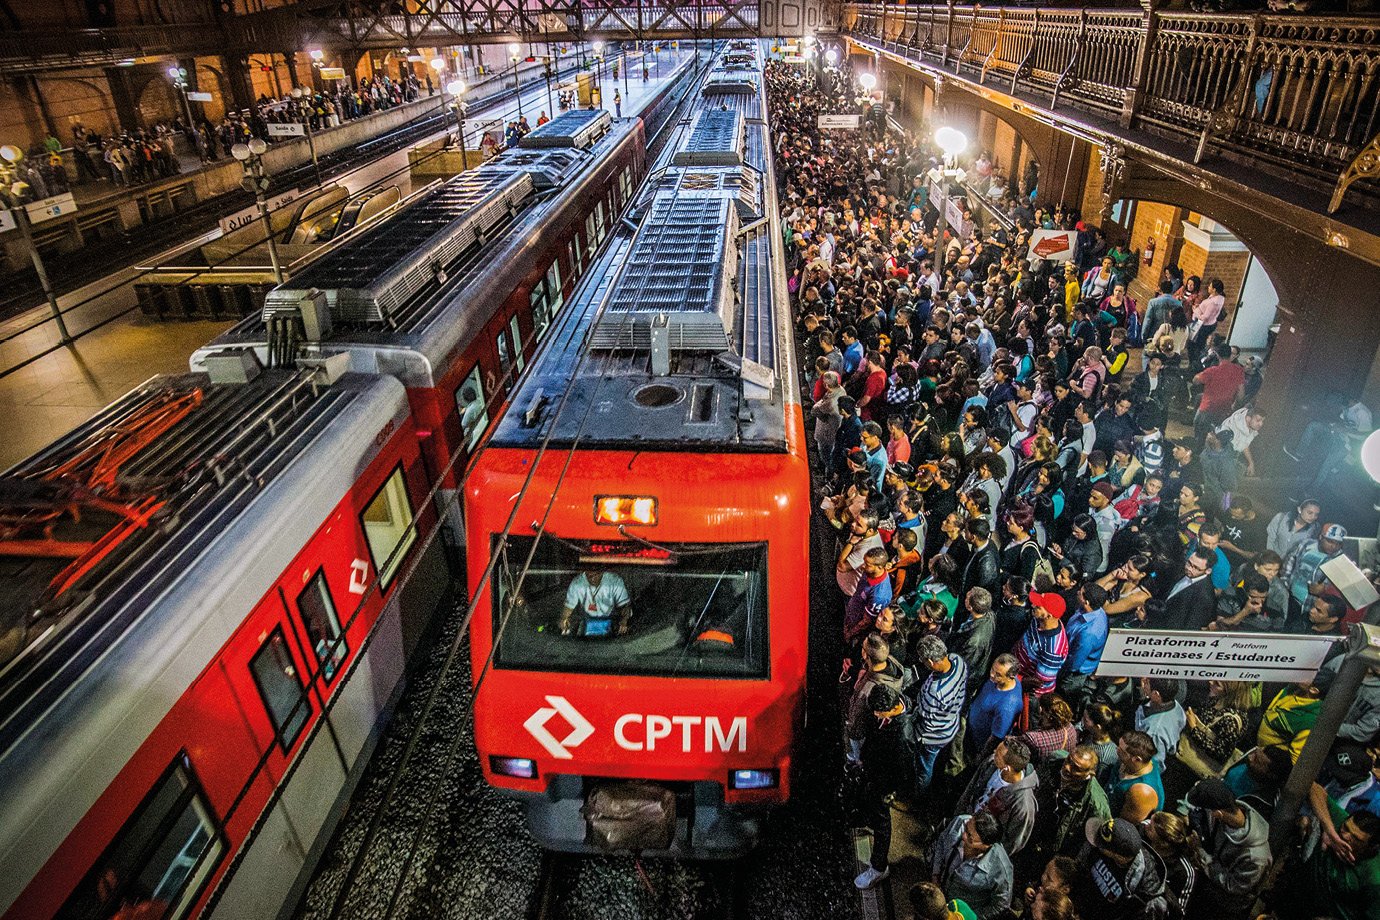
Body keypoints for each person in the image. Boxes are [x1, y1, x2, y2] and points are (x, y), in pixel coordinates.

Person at [854, 684, 916, 890]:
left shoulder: (903, 736)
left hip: (883, 784)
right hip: (873, 775)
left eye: (878, 712)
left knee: (883, 824)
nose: (874, 715)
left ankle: (878, 867)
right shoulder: (889, 711)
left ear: (891, 709)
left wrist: (888, 791)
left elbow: (903, 771)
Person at [1183, 778, 1272, 919]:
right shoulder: (1226, 819)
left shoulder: (1256, 857)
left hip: (1223, 907)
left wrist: (1201, 853)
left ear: (1217, 813)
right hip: (1207, 885)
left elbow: (1232, 885)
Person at [1019, 745, 1111, 881]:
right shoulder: (1054, 761)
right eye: (1069, 760)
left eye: (1076, 768)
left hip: (1053, 853)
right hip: (1031, 832)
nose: (1067, 768)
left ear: (1089, 775)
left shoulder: (1097, 804)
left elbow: (1091, 847)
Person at [1072, 817, 1168, 920]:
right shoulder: (1102, 847)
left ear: (1119, 857)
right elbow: (1082, 867)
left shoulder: (1145, 894)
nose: (1097, 845)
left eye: (1102, 846)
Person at [957, 738, 1040, 856]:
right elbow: (971, 789)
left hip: (977, 849)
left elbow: (1013, 843)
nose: (994, 753)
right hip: (966, 822)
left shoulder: (1023, 805)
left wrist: (984, 855)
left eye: (997, 755)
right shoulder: (991, 764)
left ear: (1007, 768)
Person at [930, 812, 1015, 920]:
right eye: (966, 828)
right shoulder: (960, 822)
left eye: (970, 837)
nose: (963, 836)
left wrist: (968, 916)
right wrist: (935, 875)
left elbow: (1000, 906)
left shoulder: (1001, 870)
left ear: (986, 845)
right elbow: (942, 843)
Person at [913, 635, 969, 796]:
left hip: (933, 735)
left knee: (924, 767)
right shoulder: (957, 661)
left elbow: (924, 714)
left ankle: (919, 797)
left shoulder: (935, 691)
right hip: (950, 724)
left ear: (930, 662)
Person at [1015, 591, 1069, 698]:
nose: (1033, 605)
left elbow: (1039, 683)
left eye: (1038, 606)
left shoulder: (1053, 650)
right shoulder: (1038, 619)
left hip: (1024, 687)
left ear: (1048, 616)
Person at [969, 654, 1025, 755]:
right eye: (992, 670)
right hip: (972, 726)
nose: (992, 675)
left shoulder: (1007, 707)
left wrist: (981, 756)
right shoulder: (998, 681)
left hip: (977, 741)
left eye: (998, 674)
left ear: (1010, 677)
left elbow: (996, 737)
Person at [1103, 730, 1164, 822]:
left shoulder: (1142, 792)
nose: (1117, 750)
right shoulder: (1133, 763)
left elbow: (1121, 825)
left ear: (1136, 759)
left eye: (1122, 751)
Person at [558, 568, 632, 636]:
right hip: (585, 618)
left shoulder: (615, 580)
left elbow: (624, 606)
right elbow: (568, 606)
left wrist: (624, 621)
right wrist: (563, 618)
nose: (593, 579)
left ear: (602, 572)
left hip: (610, 617)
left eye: (596, 575)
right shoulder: (577, 582)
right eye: (589, 576)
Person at [1135, 678, 1186, 771]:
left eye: (1147, 682)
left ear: (1156, 694)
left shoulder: (1154, 731)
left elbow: (1155, 765)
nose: (1144, 682)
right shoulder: (1174, 704)